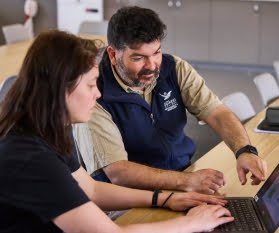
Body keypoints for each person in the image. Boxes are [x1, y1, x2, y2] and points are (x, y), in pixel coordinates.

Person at [0, 30, 234, 233]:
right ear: (61, 88)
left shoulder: (44, 129)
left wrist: (166, 199)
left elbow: (89, 188)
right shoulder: (29, 156)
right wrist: (192, 223)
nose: (98, 94)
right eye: (91, 85)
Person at [73, 6, 267, 194]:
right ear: (113, 55)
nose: (152, 66)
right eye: (139, 58)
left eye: (156, 52)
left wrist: (245, 150)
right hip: (129, 196)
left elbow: (216, 112)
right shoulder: (94, 93)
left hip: (183, 178)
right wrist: (187, 182)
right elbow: (118, 172)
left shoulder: (174, 68)